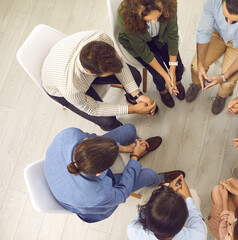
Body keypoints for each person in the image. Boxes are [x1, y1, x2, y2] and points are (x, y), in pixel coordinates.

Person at [44, 124, 184, 223]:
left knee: (129, 129)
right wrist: (134, 158)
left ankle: (138, 149)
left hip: (66, 175)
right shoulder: (99, 193)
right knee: (149, 174)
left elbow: (93, 137)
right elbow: (122, 193)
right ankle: (158, 180)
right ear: (101, 173)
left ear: (85, 142)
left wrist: (126, 148)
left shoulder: (70, 135)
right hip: (92, 198)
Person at [42, 30, 157, 131]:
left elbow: (119, 64)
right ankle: (119, 129)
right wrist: (133, 110)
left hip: (67, 60)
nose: (115, 72)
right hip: (60, 88)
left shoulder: (101, 38)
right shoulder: (71, 88)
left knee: (135, 76)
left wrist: (137, 95)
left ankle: (132, 99)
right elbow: (95, 109)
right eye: (111, 72)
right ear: (92, 73)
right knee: (108, 121)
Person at [117, 0, 185, 108]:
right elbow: (144, 52)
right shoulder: (125, 17)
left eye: (158, 15)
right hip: (139, 45)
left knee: (178, 68)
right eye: (149, 19)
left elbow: (172, 34)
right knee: (159, 77)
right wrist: (165, 75)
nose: (154, 21)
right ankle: (163, 91)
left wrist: (172, 69)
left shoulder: (170, 3)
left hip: (161, 36)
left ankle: (177, 82)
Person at [127, 175, 207, 240]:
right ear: (181, 224)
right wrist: (188, 197)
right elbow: (196, 221)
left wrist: (168, 190)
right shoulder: (198, 236)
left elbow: (144, 212)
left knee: (164, 186)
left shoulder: (133, 229)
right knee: (194, 193)